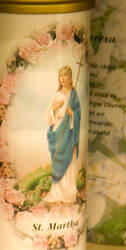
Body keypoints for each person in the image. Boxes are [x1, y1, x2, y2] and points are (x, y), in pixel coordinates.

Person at [44, 66, 81, 204]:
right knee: (58, 161)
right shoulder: (57, 94)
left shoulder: (73, 94)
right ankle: (57, 193)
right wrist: (55, 110)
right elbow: (48, 113)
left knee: (69, 161)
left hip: (69, 132)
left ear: (70, 77)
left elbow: (78, 113)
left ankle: (68, 193)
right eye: (61, 76)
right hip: (58, 128)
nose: (63, 78)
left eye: (66, 75)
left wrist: (73, 115)